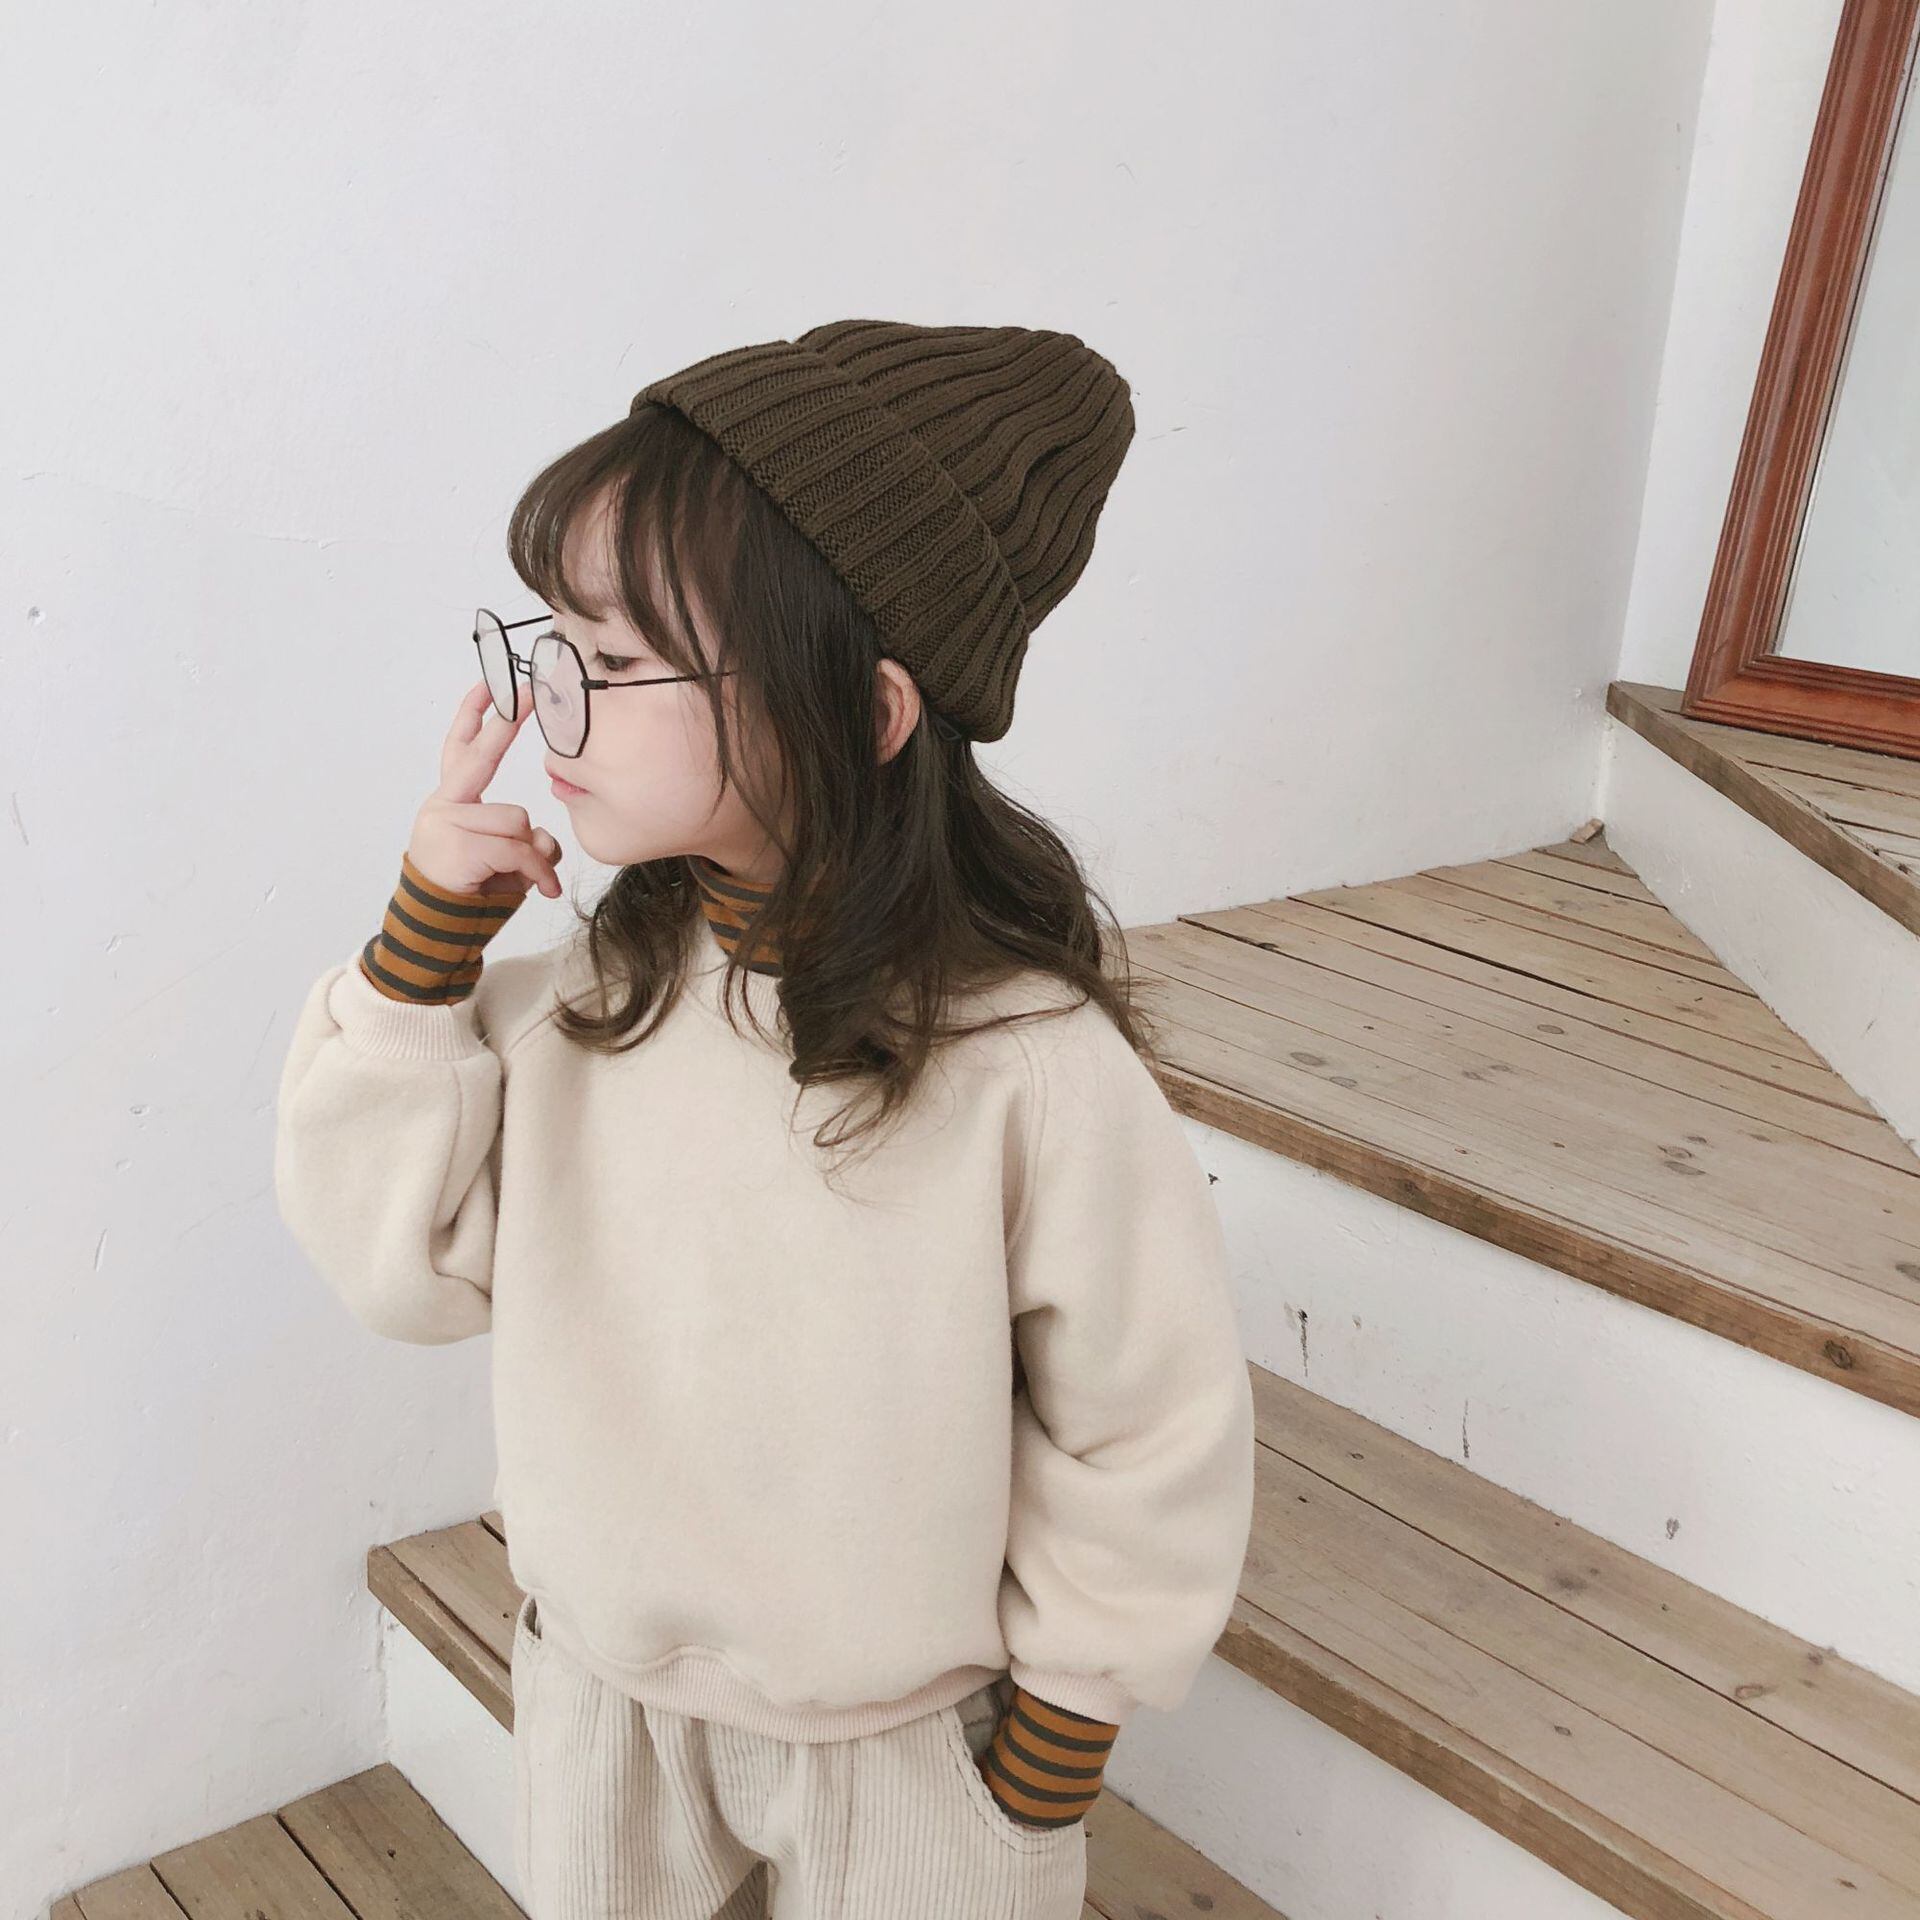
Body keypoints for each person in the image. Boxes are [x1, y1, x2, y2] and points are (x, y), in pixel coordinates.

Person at [273, 318, 1256, 1920]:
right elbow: (401, 1270)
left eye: (613, 665)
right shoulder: (584, 1007)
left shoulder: (1026, 1064)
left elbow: (1148, 1420)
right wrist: (421, 951)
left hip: (911, 1750)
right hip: (603, 1699)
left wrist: (1053, 1749)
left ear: (865, 712)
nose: (545, 708)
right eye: (548, 646)